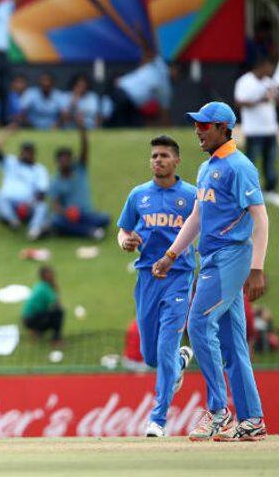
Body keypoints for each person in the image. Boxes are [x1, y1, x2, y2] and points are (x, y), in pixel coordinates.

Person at [152, 101, 269, 442]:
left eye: (205, 126)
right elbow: (197, 218)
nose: (198, 131)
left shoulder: (239, 166)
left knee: (200, 323)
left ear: (223, 128)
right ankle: (252, 420)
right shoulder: (207, 168)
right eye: (197, 124)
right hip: (213, 257)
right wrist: (171, 254)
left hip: (232, 255)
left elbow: (260, 217)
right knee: (233, 343)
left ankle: (218, 412)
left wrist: (256, 268)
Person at [116, 134, 196, 437]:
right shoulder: (139, 196)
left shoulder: (191, 195)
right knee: (151, 356)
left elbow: (208, 227)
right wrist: (126, 241)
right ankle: (178, 361)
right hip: (147, 278)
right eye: (154, 156)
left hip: (178, 278)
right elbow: (124, 231)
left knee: (163, 349)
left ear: (176, 160)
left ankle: (158, 419)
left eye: (164, 155)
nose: (158, 160)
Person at [50, 122, 110, 239]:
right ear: (57, 162)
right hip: (70, 215)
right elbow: (55, 206)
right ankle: (90, 231)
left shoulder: (80, 169)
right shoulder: (56, 181)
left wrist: (82, 130)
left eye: (67, 159)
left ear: (72, 159)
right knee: (56, 221)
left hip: (86, 213)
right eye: (62, 160)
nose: (65, 162)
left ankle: (79, 230)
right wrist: (67, 212)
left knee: (105, 218)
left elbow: (85, 149)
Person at [0, 132, 49, 240]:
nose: (26, 154)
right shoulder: (11, 162)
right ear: (21, 152)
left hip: (28, 204)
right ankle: (13, 220)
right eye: (24, 151)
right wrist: (8, 131)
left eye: (29, 152)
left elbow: (42, 193)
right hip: (10, 204)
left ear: (33, 154)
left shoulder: (39, 169)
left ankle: (34, 230)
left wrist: (28, 205)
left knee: (42, 206)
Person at [235, 56, 277, 200]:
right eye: (269, 66)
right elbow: (239, 103)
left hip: (270, 128)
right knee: (251, 161)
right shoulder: (245, 81)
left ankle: (270, 189)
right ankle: (248, 190)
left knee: (270, 160)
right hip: (254, 129)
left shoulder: (269, 82)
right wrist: (260, 100)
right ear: (262, 65)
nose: (271, 70)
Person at [110, 45, 171, 127]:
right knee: (120, 124)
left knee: (129, 124)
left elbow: (164, 111)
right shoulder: (161, 66)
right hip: (122, 92)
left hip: (128, 98)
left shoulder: (165, 84)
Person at [21, 266, 64, 344]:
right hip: (32, 319)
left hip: (27, 319)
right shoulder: (45, 288)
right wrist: (55, 288)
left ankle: (36, 331)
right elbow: (57, 305)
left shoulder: (39, 285)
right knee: (59, 312)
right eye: (50, 274)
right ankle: (56, 339)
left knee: (52, 313)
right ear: (45, 276)